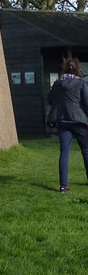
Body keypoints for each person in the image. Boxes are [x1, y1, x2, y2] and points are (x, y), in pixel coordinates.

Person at [47, 57, 88, 192]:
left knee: (64, 152)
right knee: (86, 151)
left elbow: (50, 100)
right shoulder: (80, 83)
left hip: (63, 121)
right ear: (77, 69)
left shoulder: (57, 83)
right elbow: (86, 103)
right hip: (79, 121)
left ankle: (63, 186)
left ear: (64, 68)